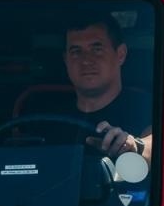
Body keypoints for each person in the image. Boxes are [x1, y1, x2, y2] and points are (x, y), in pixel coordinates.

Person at [20, 12, 153, 159]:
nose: (86, 60)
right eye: (76, 51)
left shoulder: (147, 107)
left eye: (97, 49)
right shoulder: (48, 118)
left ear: (120, 54)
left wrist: (135, 147)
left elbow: (159, 144)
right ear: (66, 60)